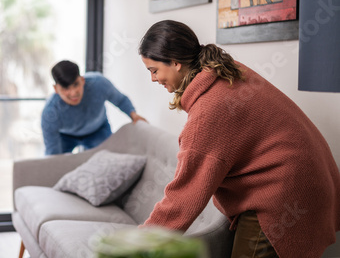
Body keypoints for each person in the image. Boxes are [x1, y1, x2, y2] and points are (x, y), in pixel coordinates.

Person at [138, 20, 340, 258]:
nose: (153, 79)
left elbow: (184, 196)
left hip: (285, 196)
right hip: (312, 180)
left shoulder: (209, 110)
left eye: (154, 70)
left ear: (174, 62)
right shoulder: (225, 71)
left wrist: (137, 243)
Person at [41, 60, 146, 155]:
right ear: (56, 89)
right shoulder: (50, 113)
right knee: (57, 164)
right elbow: (53, 154)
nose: (73, 93)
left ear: (82, 80)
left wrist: (134, 115)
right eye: (65, 88)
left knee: (111, 159)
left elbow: (120, 100)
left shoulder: (99, 84)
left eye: (76, 84)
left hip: (98, 130)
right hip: (65, 137)